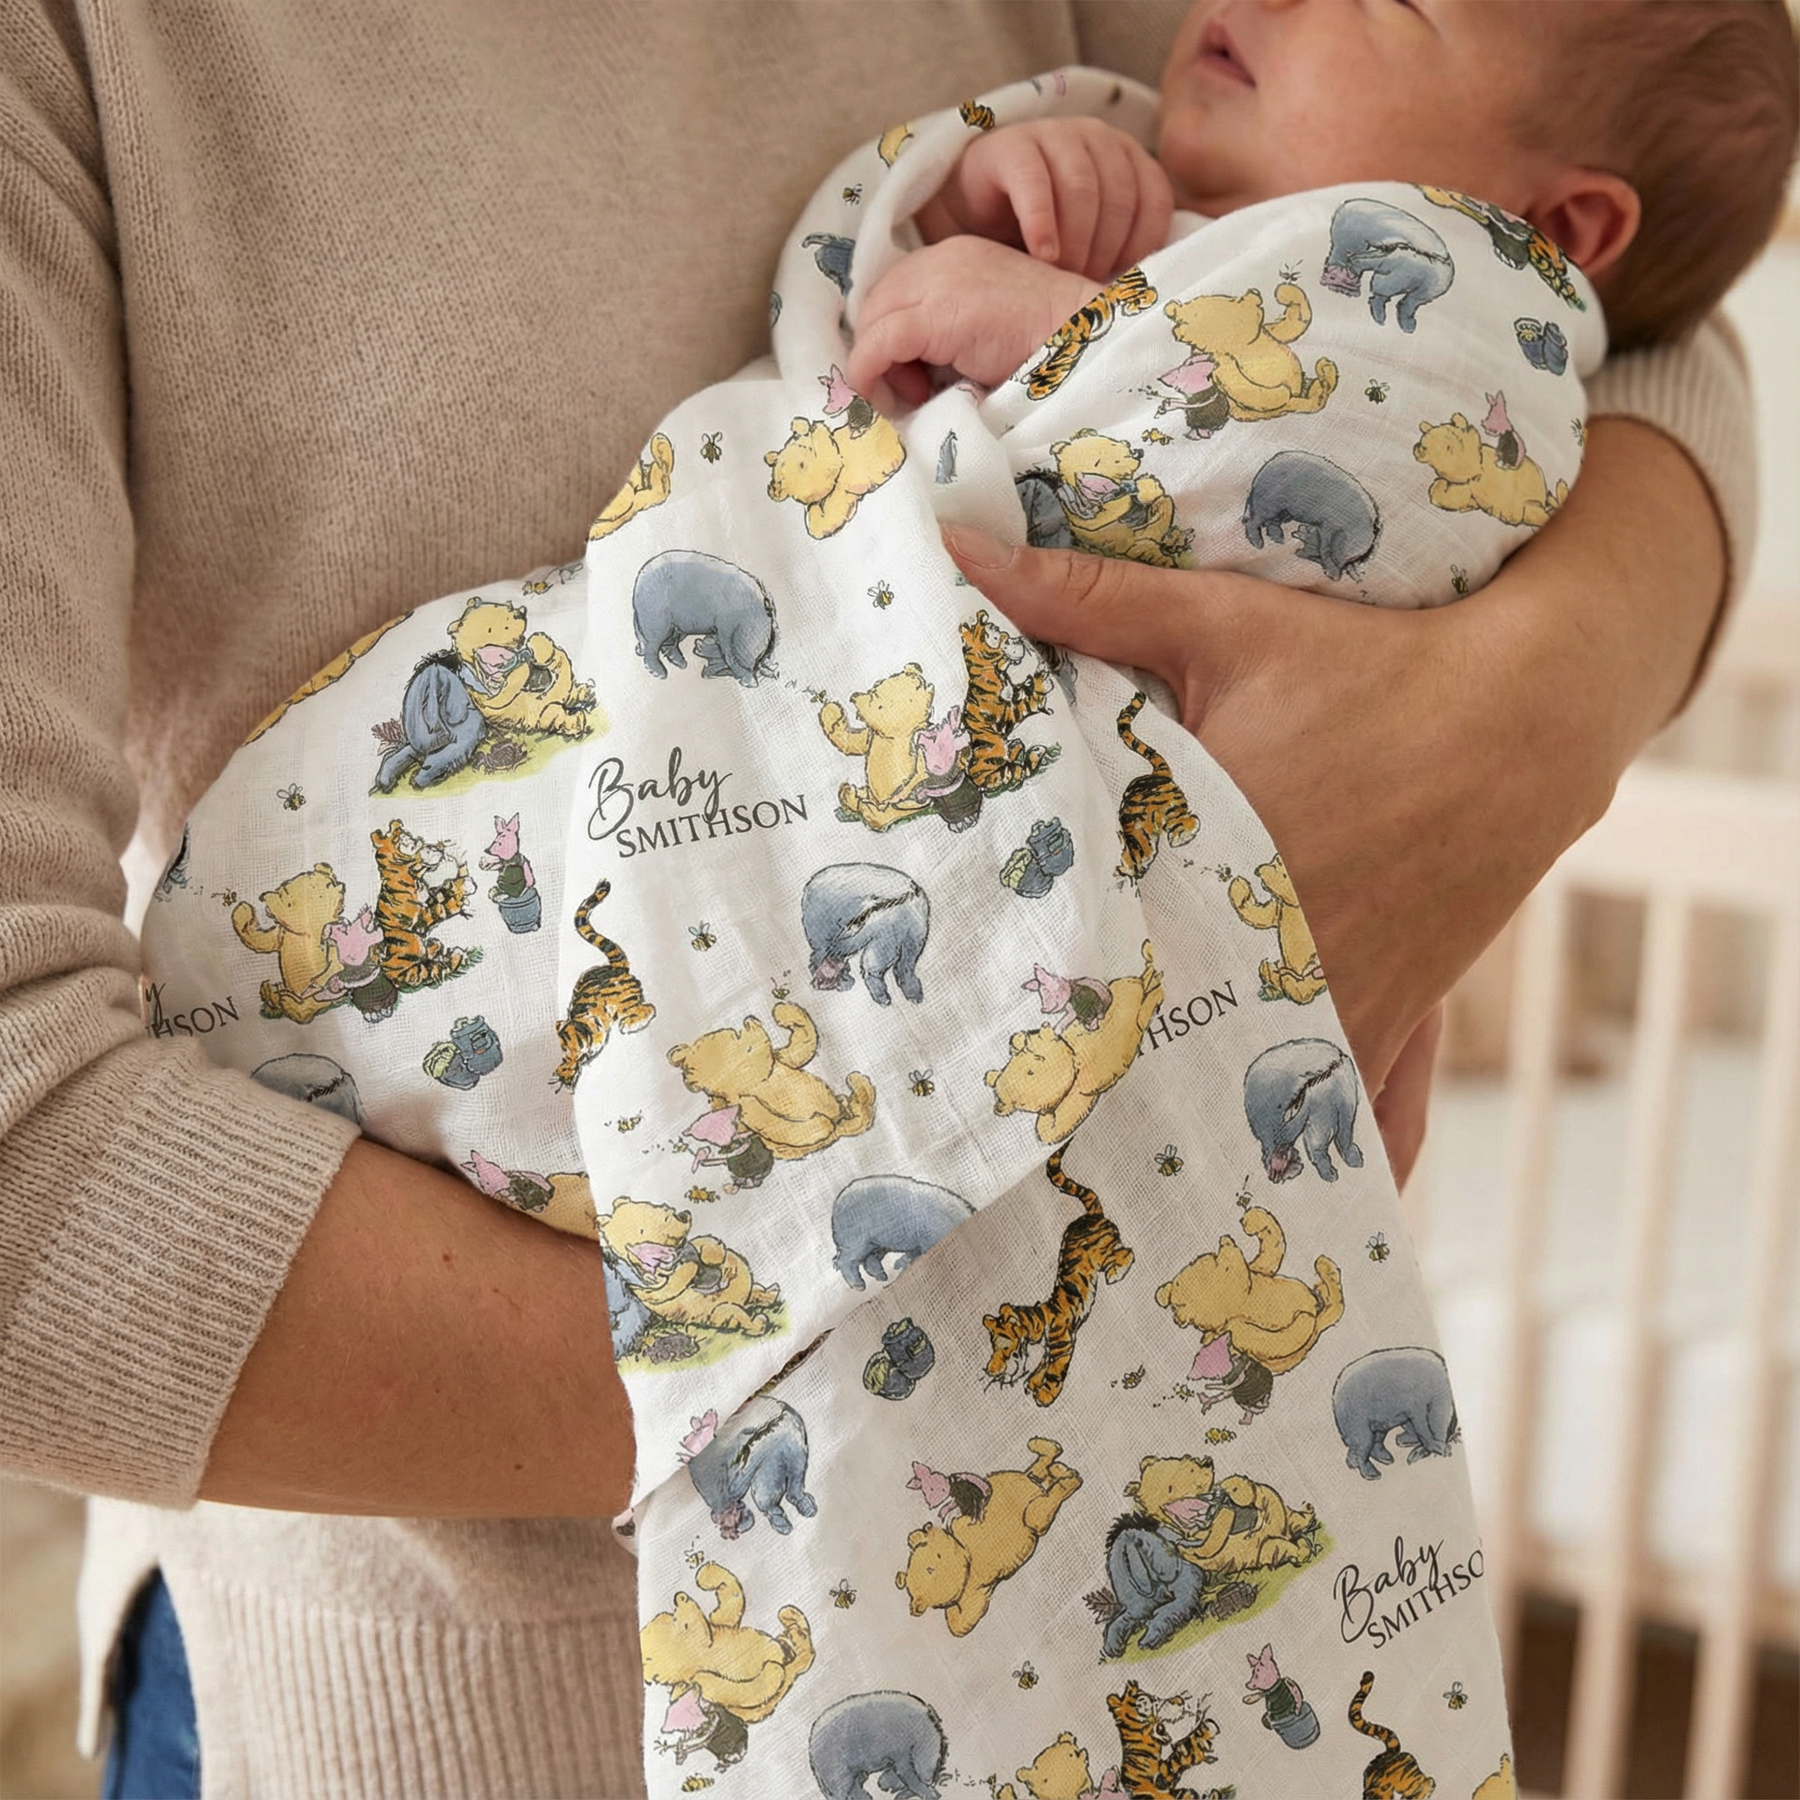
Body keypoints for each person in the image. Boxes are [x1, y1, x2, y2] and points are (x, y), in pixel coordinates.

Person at [0, 3, 1772, 1796]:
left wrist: (1516, 714)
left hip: (1120, 1553)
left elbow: (1597, 321)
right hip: (454, 1692)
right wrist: (1040, 1335)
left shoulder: (1317, 180)